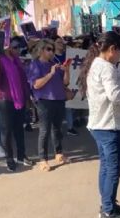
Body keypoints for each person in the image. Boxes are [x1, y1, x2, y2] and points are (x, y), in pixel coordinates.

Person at [79, 32, 120, 218]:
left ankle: (107, 204)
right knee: (113, 168)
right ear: (112, 49)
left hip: (99, 123)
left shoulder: (96, 64)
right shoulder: (107, 67)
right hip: (109, 125)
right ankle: (108, 210)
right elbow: (115, 95)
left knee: (106, 166)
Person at [0, 37, 34, 171]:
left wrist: (28, 97)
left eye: (18, 47)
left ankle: (21, 155)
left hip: (19, 99)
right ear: (7, 48)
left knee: (19, 129)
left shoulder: (17, 61)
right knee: (7, 130)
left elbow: (23, 80)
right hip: (4, 99)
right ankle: (9, 158)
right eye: (15, 47)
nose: (18, 49)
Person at [28, 39, 70, 172]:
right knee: (44, 130)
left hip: (58, 99)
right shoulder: (35, 64)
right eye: (49, 49)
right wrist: (50, 74)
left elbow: (66, 83)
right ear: (41, 50)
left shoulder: (55, 64)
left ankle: (59, 153)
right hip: (44, 101)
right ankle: (43, 159)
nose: (52, 52)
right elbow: (36, 84)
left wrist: (67, 70)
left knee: (57, 128)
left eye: (52, 49)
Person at [52, 35, 78, 136]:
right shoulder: (51, 58)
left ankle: (70, 127)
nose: (61, 44)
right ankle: (55, 129)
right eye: (58, 42)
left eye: (62, 42)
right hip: (56, 86)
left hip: (67, 82)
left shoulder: (68, 54)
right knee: (57, 108)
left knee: (69, 107)